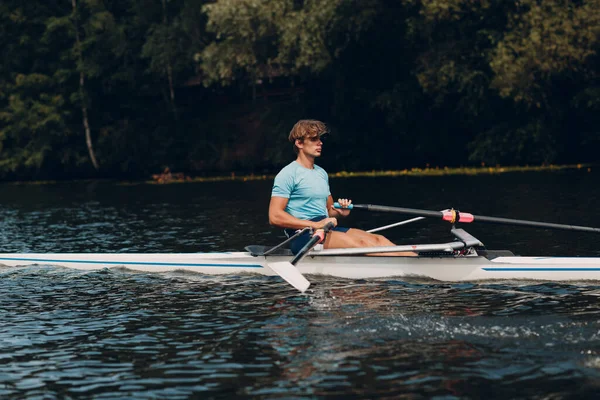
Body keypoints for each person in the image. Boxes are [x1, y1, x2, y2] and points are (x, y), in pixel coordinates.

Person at [268, 119, 416, 256]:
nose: (320, 143)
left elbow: (329, 211)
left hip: (326, 227)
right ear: (299, 143)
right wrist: (315, 224)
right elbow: (274, 216)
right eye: (314, 139)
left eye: (320, 139)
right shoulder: (287, 174)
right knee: (361, 244)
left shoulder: (321, 173)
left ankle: (418, 261)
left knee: (379, 240)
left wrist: (340, 212)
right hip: (303, 235)